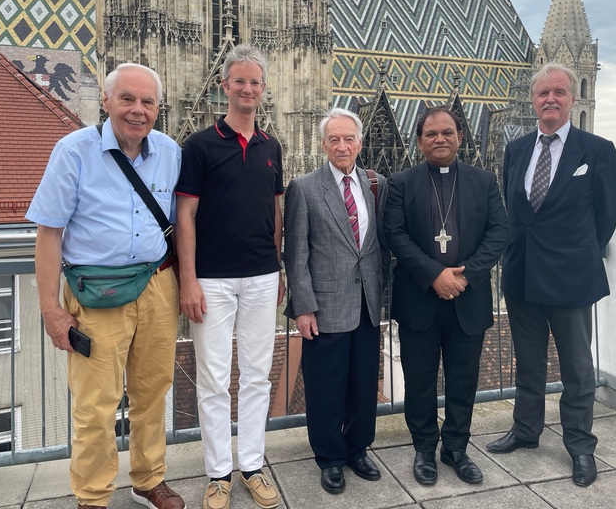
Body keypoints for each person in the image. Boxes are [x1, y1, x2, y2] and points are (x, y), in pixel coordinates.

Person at [26, 63, 184, 509]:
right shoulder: (74, 151)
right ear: (106, 101)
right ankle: (93, 496)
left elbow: (183, 222)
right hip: (96, 292)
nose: (138, 110)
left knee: (153, 391)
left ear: (158, 108)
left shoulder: (169, 152)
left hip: (157, 283)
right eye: (127, 99)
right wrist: (51, 309)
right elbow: (49, 233)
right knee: (96, 402)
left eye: (147, 102)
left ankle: (148, 480)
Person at [486, 63, 616, 488]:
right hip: (523, 275)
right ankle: (526, 430)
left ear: (573, 98)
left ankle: (580, 446)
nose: (551, 99)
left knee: (577, 369)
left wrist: (580, 254)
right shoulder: (517, 149)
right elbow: (514, 209)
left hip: (571, 278)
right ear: (533, 100)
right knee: (528, 363)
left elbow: (608, 214)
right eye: (543, 92)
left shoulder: (596, 150)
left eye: (559, 92)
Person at [176, 45, 285, 509]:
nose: (247, 89)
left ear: (263, 89)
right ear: (225, 86)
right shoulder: (200, 145)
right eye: (239, 81)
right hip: (213, 280)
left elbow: (276, 211)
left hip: (262, 276)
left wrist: (278, 266)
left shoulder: (271, 146)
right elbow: (185, 215)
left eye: (255, 82)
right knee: (214, 379)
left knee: (258, 376)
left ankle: (253, 466)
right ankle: (219, 473)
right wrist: (188, 279)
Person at [384, 108, 509, 486]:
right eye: (431, 134)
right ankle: (424, 448)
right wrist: (434, 275)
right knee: (419, 381)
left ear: (460, 137)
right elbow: (395, 235)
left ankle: (456, 448)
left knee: (463, 380)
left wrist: (466, 276)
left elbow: (499, 232)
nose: (440, 139)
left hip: (468, 300)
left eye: (447, 132)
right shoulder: (401, 183)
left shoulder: (483, 181)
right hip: (419, 299)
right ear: (419, 141)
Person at [283, 108, 390, 494]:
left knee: (363, 382)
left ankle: (357, 449)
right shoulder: (304, 187)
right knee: (325, 387)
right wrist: (303, 306)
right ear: (324, 144)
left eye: (349, 139)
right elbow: (296, 253)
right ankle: (329, 458)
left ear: (359, 143)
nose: (342, 146)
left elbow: (379, 246)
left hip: (367, 302)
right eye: (334, 139)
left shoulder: (375, 184)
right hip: (325, 305)